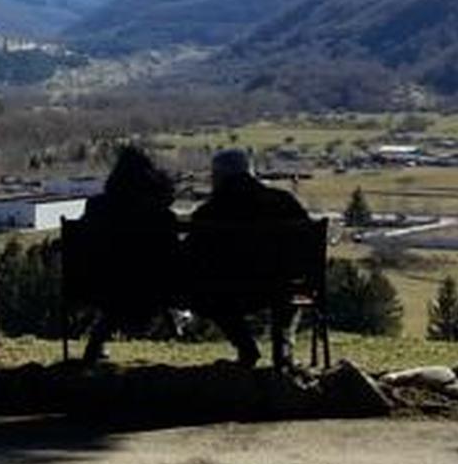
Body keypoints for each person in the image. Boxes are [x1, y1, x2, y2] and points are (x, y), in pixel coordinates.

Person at [189, 148, 311, 368]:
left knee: (204, 295)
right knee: (292, 288)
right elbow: (306, 248)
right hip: (284, 288)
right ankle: (282, 352)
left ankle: (246, 347)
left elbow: (193, 257)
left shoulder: (209, 212)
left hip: (230, 292)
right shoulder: (283, 202)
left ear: (218, 177)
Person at [77, 146, 181, 363]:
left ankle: (96, 346)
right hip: (152, 285)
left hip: (99, 284)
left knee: (119, 289)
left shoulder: (96, 207)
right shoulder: (160, 214)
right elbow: (173, 254)